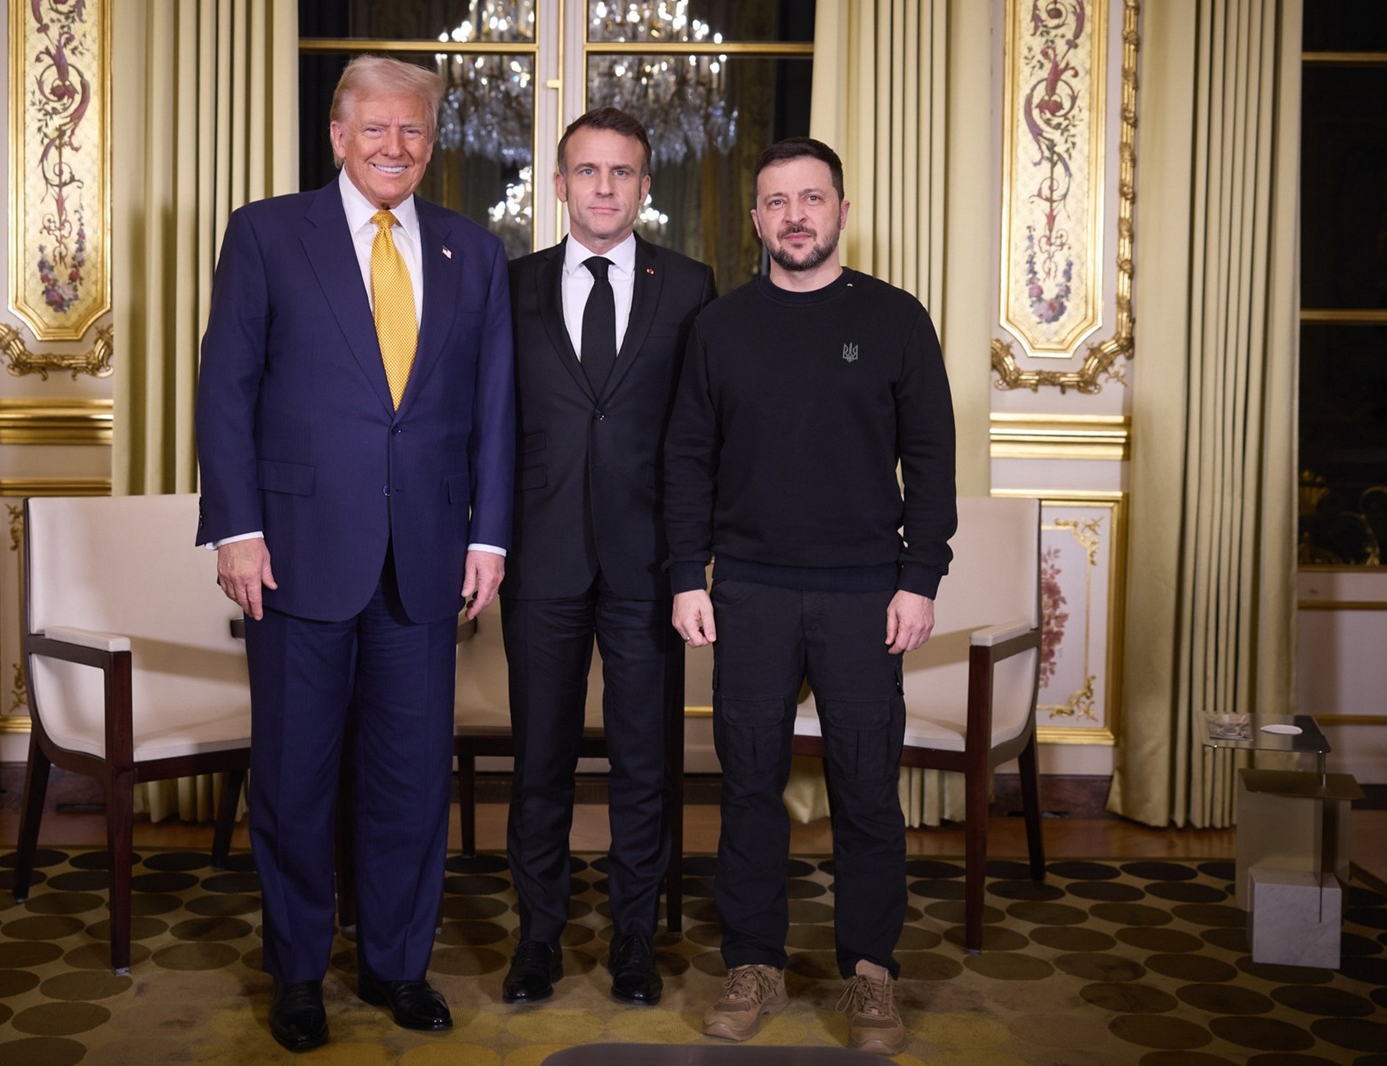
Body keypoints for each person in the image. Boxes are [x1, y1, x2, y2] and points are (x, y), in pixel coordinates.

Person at [195, 56, 514, 1053]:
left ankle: (392, 964)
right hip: (292, 553)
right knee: (292, 777)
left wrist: (489, 533)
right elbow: (225, 390)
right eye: (374, 128)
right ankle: (297, 970)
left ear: (432, 141)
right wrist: (236, 528)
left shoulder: (472, 252)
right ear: (338, 136)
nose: (394, 146)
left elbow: (493, 411)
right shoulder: (265, 234)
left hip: (425, 558)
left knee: (410, 778)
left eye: (413, 131)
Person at [663, 136, 955, 1055]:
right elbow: (687, 462)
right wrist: (684, 574)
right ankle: (753, 963)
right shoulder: (719, 327)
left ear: (841, 209)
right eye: (777, 201)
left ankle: (872, 972)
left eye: (812, 198)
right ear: (757, 219)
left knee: (866, 792)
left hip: (867, 593)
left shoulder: (900, 320)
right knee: (747, 787)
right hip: (746, 590)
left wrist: (920, 578)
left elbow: (934, 462)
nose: (795, 215)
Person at [501, 107, 716, 1007]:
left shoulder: (692, 286)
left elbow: (704, 433)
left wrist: (692, 565)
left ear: (645, 186)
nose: (603, 188)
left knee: (643, 764)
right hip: (539, 561)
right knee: (540, 763)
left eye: (621, 173)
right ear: (558, 184)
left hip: (648, 568)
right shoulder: (508, 285)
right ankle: (538, 942)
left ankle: (635, 944)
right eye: (586, 172)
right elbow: (488, 426)